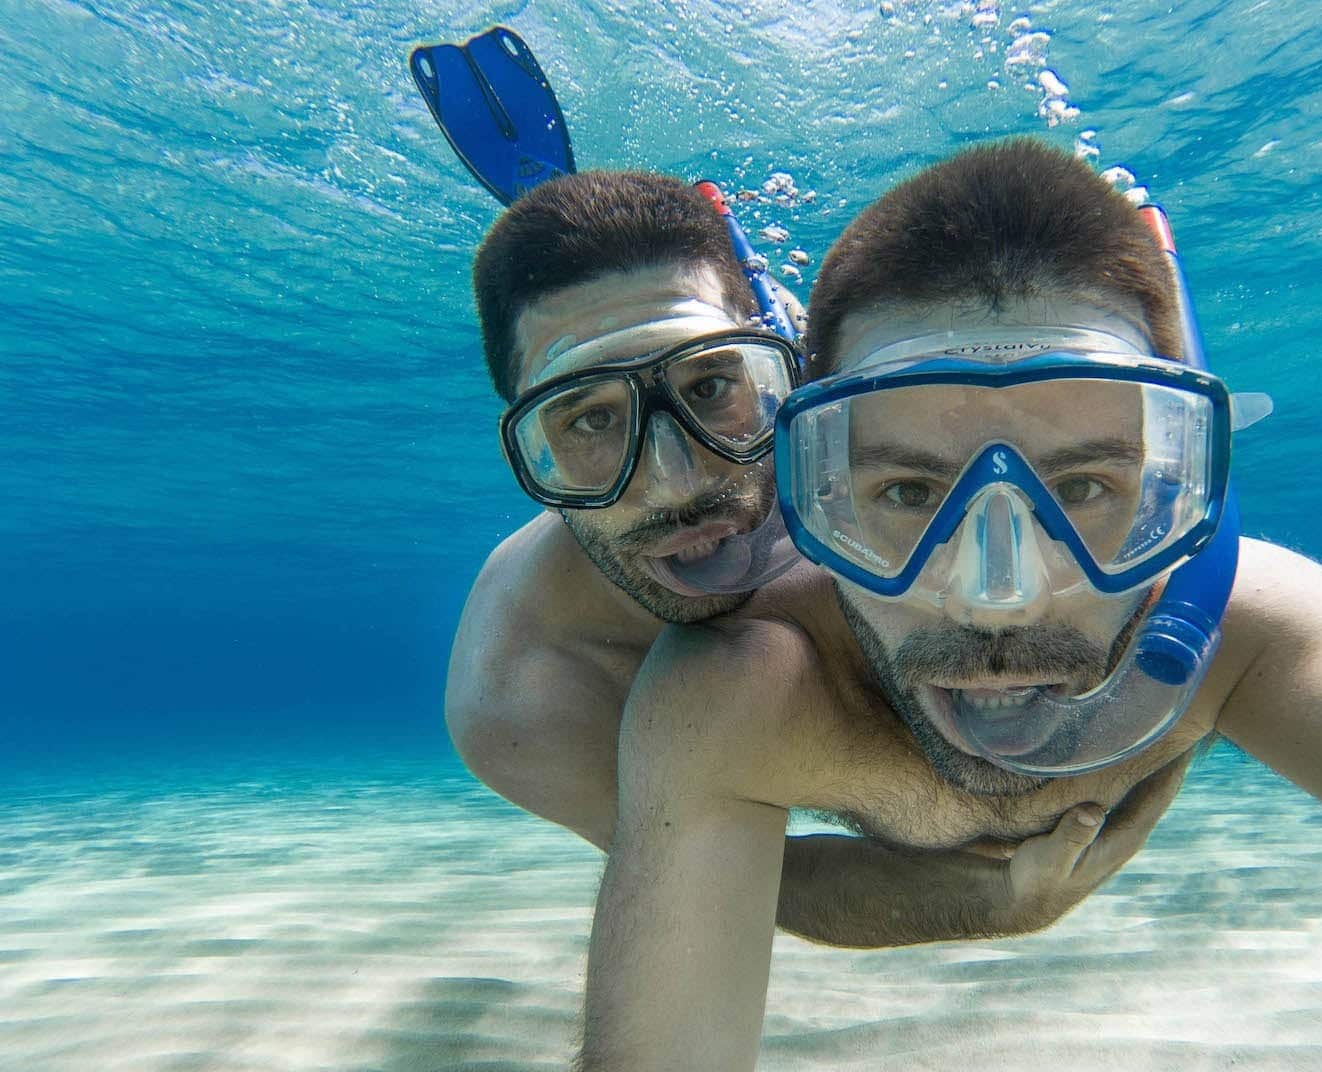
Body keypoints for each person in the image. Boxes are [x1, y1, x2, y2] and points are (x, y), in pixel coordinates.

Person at [534, 138, 1322, 1072]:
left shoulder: (1239, 625)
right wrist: (977, 906)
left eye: (1087, 488)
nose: (997, 594)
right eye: (905, 493)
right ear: (811, 498)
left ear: (1176, 495)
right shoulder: (735, 689)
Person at [420, 30, 1145, 943]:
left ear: (788, 382)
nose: (677, 478)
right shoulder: (522, 694)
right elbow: (748, 883)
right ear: (534, 456)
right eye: (590, 420)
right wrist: (997, 904)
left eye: (714, 387)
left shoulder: (881, 443)